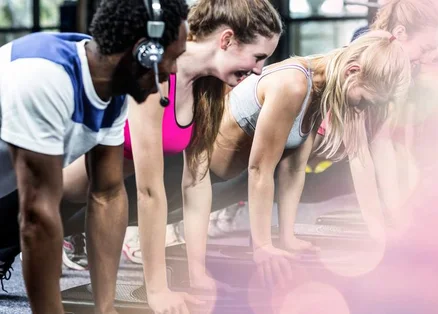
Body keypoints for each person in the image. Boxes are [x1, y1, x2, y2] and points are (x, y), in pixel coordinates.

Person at [55, 0, 282, 312]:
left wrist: (197, 273)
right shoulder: (156, 74)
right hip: (51, 193)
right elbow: (149, 192)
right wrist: (157, 290)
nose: (258, 69)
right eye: (258, 57)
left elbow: (196, 184)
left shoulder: (208, 89)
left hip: (100, 199)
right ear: (226, 40)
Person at [0, 0, 188, 312]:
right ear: (145, 52)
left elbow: (107, 194)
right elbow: (37, 217)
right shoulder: (44, 75)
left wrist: (105, 308)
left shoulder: (110, 87)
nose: (174, 69)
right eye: (173, 56)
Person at [208, 0, 438, 240]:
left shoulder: (372, 78)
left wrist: (392, 219)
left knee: (283, 175)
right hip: (222, 162)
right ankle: (219, 217)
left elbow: (375, 148)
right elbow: (360, 154)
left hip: (260, 161)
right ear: (401, 33)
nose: (427, 58)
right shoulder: (354, 67)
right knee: (244, 182)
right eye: (425, 48)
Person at [193, 31, 412, 288]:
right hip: (199, 176)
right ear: (352, 71)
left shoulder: (322, 90)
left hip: (222, 180)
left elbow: (293, 168)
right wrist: (263, 246)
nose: (361, 108)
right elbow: (260, 169)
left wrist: (287, 237)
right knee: (144, 210)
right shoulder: (294, 85)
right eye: (363, 100)